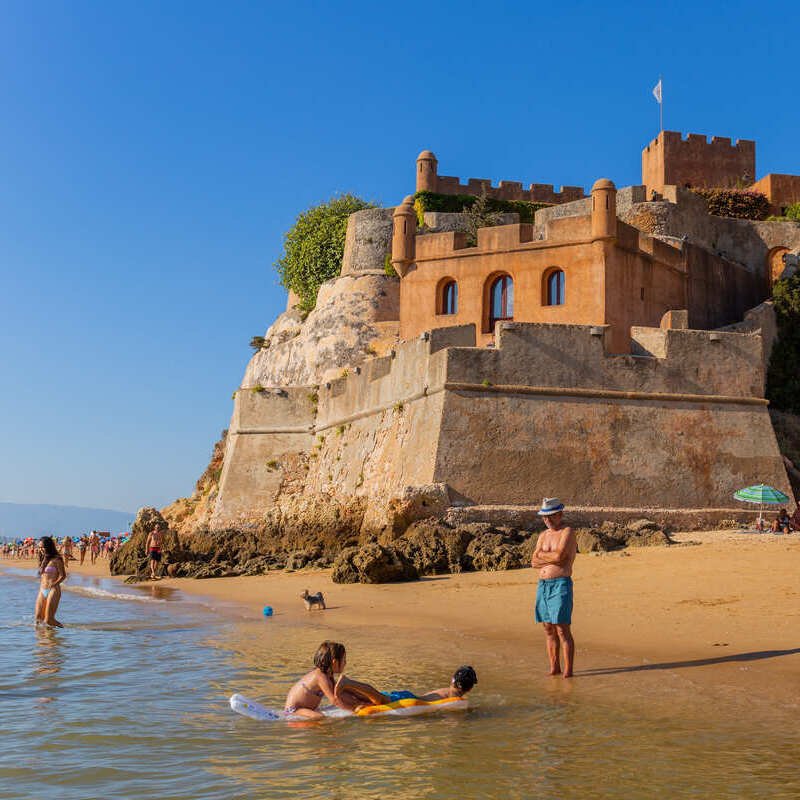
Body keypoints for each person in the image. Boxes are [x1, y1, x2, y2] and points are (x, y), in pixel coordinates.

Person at [531, 497, 578, 678]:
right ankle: (554, 667)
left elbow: (559, 557)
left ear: (560, 514)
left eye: (551, 516)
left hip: (560, 584)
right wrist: (548, 556)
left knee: (562, 628)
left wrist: (544, 555)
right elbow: (534, 561)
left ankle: (568, 670)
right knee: (548, 628)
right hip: (543, 585)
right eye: (544, 517)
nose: (547, 520)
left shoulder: (567, 532)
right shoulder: (543, 535)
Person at [284, 641, 368, 719]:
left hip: (305, 708)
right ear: (334, 662)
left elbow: (341, 692)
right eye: (344, 660)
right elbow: (334, 700)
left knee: (320, 715)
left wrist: (360, 701)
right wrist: (353, 709)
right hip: (294, 710)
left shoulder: (328, 676)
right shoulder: (320, 677)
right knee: (320, 717)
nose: (345, 663)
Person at [335, 665, 478, 706]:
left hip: (408, 696)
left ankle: (346, 689)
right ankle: (348, 683)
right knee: (379, 699)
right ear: (470, 688)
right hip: (409, 701)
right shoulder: (456, 699)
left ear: (452, 679)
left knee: (372, 699)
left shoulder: (447, 690)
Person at [35, 536, 66, 627]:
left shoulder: (57, 559)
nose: (40, 549)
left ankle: (66, 631)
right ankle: (44, 640)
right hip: (42, 590)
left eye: (42, 547)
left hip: (53, 589)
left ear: (48, 547)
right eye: (39, 547)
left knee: (49, 620)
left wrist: (54, 584)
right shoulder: (42, 559)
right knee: (38, 618)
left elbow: (63, 575)